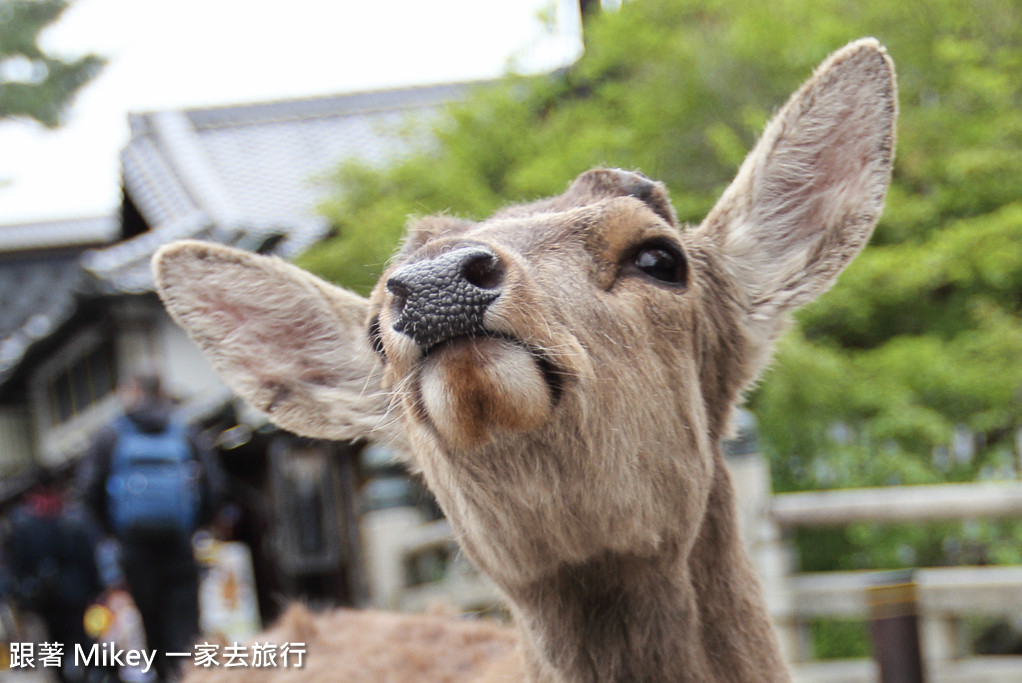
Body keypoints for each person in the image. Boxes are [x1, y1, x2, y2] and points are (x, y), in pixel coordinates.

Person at [78, 371, 227, 681]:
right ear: (162, 391)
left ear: (132, 391)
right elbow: (216, 487)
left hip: (135, 550)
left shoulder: (111, 434)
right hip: (179, 544)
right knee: (186, 631)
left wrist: (113, 534)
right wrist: (194, 526)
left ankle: (163, 674)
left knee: (153, 629)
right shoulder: (185, 430)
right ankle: (189, 676)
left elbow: (88, 492)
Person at [2, 467, 106, 682]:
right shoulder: (74, 515)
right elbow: (90, 555)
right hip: (77, 591)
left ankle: (66, 676)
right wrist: (97, 587)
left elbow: (17, 563)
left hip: (44, 596)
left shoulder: (22, 521)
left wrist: (22, 595)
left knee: (55, 642)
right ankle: (86, 674)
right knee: (80, 637)